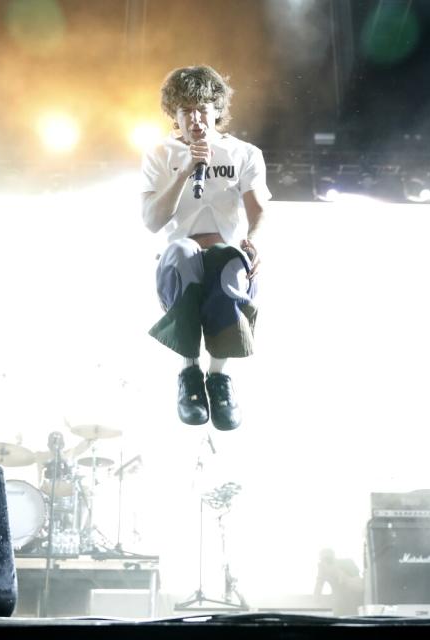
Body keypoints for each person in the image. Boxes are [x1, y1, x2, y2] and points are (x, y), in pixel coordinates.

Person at [140, 65, 270, 431]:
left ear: (216, 109)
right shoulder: (158, 155)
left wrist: (254, 242)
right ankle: (189, 374)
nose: (195, 118)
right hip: (179, 264)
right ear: (174, 115)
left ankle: (218, 378)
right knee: (183, 251)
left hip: (225, 259)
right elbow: (151, 221)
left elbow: (258, 209)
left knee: (229, 260)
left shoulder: (245, 153)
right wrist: (185, 170)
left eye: (201, 108)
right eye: (185, 111)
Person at [314, 548, 365, 616]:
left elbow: (360, 586)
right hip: (338, 605)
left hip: (354, 602)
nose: (326, 562)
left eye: (328, 559)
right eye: (323, 560)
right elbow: (318, 587)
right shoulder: (323, 569)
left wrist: (341, 575)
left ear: (334, 557)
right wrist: (316, 600)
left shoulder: (348, 563)